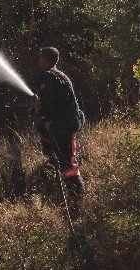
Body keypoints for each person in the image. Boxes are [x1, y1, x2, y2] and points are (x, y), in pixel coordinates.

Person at [33, 47, 86, 209]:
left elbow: (49, 103)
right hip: (65, 122)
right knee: (41, 125)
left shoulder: (48, 76)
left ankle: (77, 199)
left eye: (40, 58)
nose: (39, 61)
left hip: (64, 126)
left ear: (45, 60)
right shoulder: (60, 75)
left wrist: (44, 114)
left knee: (69, 165)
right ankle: (51, 156)